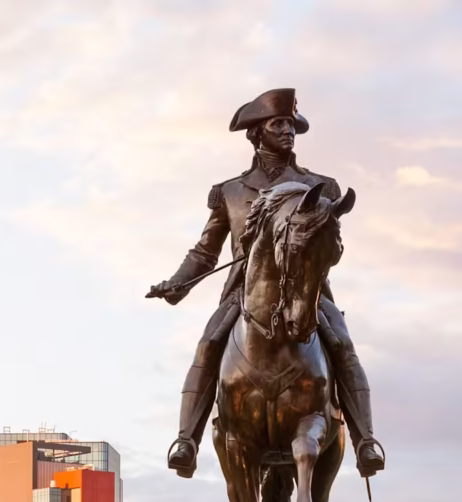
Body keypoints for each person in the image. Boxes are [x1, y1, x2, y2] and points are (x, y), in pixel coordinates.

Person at [147, 87, 385, 480]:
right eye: (279, 124)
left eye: (291, 124)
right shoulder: (231, 191)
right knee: (208, 344)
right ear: (257, 134)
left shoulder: (319, 186)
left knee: (343, 346)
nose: (288, 131)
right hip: (245, 292)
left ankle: (365, 441)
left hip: (307, 291)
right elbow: (206, 252)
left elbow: (329, 245)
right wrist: (178, 284)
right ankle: (187, 440)